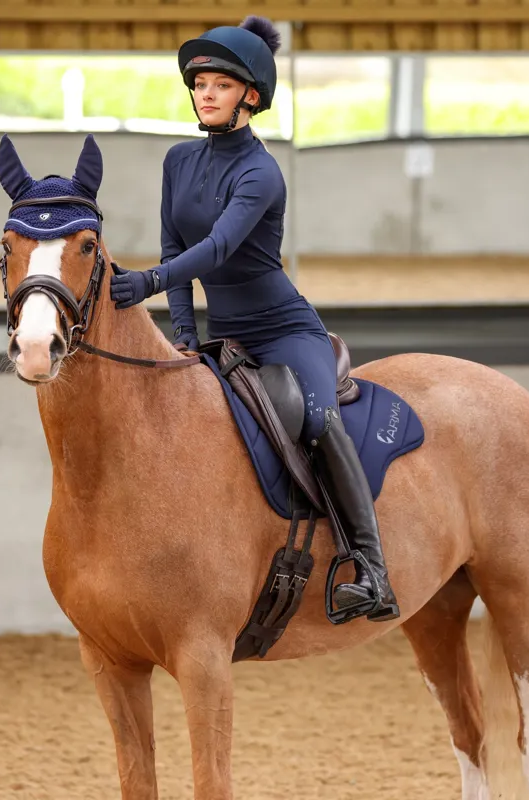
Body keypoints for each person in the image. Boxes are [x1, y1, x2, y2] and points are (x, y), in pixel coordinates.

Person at [109, 16, 399, 621]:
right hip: (227, 333)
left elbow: (216, 249)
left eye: (219, 84)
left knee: (318, 422)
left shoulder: (262, 172)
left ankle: (371, 569)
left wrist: (146, 286)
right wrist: (184, 336)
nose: (205, 93)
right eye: (199, 83)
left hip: (286, 329)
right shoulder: (177, 162)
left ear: (251, 96)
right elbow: (173, 252)